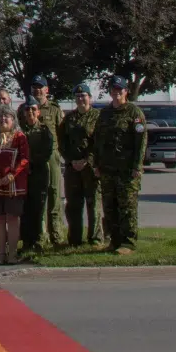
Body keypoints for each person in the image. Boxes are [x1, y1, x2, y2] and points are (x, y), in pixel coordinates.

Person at [93, 77, 146, 255]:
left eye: (119, 89)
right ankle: (114, 241)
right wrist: (97, 164)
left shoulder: (134, 113)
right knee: (110, 206)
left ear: (126, 91)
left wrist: (137, 166)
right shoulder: (105, 113)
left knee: (127, 207)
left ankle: (128, 242)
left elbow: (141, 142)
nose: (116, 92)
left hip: (127, 170)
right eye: (113, 89)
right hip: (107, 169)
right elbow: (98, 140)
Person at [19, 76, 64, 246]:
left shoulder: (54, 109)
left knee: (53, 194)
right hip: (30, 159)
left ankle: (57, 236)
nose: (37, 90)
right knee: (37, 198)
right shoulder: (23, 109)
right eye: (34, 87)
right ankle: (40, 235)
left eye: (41, 87)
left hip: (51, 156)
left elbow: (61, 133)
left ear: (47, 90)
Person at [0, 104, 29, 264]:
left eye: (7, 116)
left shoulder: (19, 137)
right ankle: (1, 253)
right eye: (0, 116)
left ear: (13, 119)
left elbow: (24, 159)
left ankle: (13, 253)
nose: (3, 119)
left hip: (14, 184)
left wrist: (12, 175)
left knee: (12, 218)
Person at [59, 83, 101, 246]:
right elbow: (62, 141)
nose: (80, 99)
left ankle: (95, 238)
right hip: (72, 168)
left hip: (90, 167)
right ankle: (75, 239)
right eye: (77, 97)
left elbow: (99, 142)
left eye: (83, 96)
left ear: (90, 98)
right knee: (73, 204)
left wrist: (87, 160)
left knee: (93, 203)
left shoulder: (97, 116)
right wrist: (71, 160)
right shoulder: (69, 118)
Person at [20, 98, 53, 253]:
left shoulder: (44, 130)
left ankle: (39, 242)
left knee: (39, 208)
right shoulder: (20, 131)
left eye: (33, 109)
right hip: (24, 175)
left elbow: (47, 152)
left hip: (39, 173)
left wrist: (31, 162)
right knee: (26, 209)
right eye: (28, 110)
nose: (31, 113)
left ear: (38, 112)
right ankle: (27, 242)